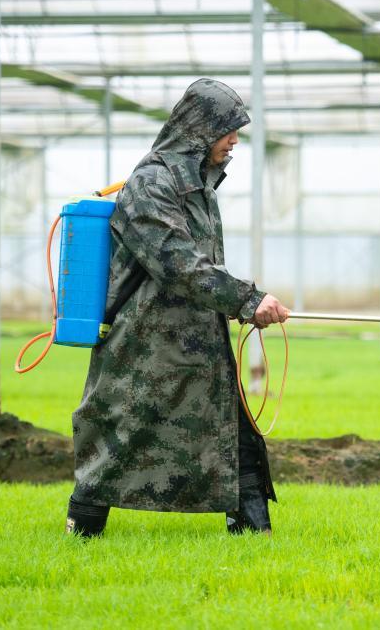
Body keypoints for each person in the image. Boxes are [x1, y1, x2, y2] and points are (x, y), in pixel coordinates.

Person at [66, 78, 290, 538]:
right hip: (146, 347)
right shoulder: (150, 183)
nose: (234, 140)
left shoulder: (199, 184)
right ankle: (82, 530)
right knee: (118, 433)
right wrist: (247, 299)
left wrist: (239, 302)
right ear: (199, 129)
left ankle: (254, 535)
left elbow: (200, 266)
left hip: (199, 340)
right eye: (228, 129)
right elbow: (177, 261)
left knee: (234, 432)